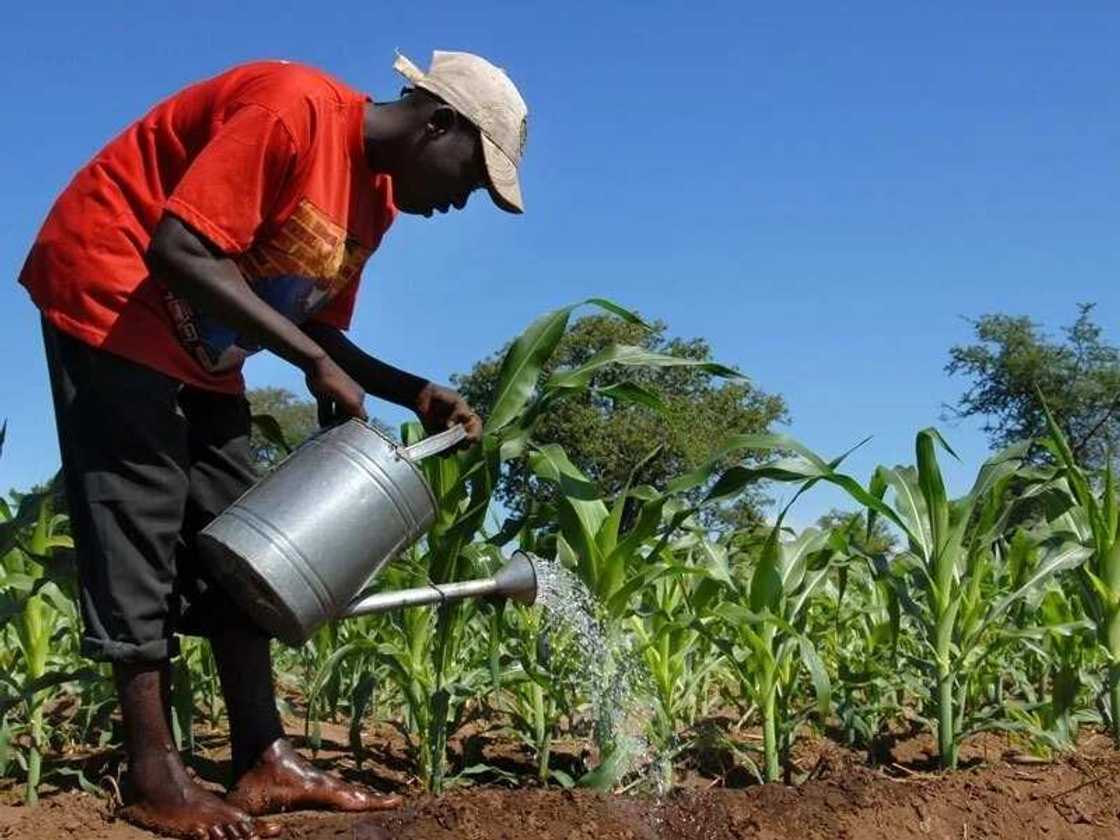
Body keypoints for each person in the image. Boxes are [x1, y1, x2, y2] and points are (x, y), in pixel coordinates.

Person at [18, 50, 529, 840]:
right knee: (139, 516)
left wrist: (411, 390)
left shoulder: (373, 206)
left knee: (241, 528)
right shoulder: (292, 109)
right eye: (472, 177)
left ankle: (264, 758)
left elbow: (312, 323)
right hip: (114, 290)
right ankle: (152, 772)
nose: (462, 200)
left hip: (204, 344)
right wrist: (310, 362)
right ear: (438, 124)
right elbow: (177, 249)